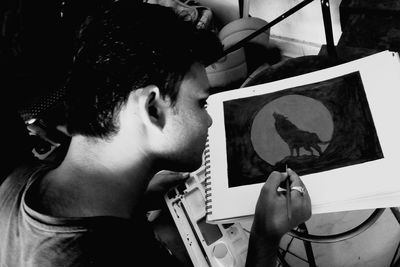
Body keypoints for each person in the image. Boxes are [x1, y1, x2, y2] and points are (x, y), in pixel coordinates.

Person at [0, 1, 311, 266]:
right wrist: (265, 236)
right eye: (201, 103)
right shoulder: (125, 258)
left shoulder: (16, 184)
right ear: (151, 107)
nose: (210, 121)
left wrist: (140, 195)